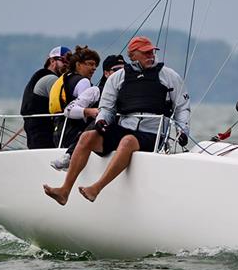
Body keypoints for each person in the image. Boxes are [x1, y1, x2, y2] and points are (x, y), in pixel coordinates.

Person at [43, 36, 190, 205]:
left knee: (127, 141)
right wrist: (101, 121)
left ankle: (96, 188)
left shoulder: (170, 76)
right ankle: (64, 190)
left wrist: (183, 131)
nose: (151, 55)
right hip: (126, 127)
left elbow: (182, 107)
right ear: (133, 55)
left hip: (152, 133)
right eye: (145, 52)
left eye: (152, 52)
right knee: (87, 137)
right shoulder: (117, 78)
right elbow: (106, 108)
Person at [51, 54, 126, 170]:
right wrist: (89, 111)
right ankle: (70, 155)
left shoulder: (132, 92)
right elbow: (69, 110)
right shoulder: (95, 91)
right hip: (95, 134)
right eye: (116, 70)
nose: (121, 73)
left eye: (124, 70)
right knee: (101, 118)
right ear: (106, 73)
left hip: (121, 136)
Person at [49, 45, 100, 148]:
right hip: (74, 132)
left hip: (58, 130)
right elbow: (84, 108)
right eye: (90, 64)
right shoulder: (83, 81)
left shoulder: (63, 78)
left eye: (95, 65)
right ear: (78, 64)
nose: (94, 68)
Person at [20, 46, 70, 149]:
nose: (67, 64)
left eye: (70, 61)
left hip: (34, 132)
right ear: (52, 61)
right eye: (64, 60)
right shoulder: (52, 79)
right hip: (44, 134)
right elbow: (66, 103)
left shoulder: (39, 76)